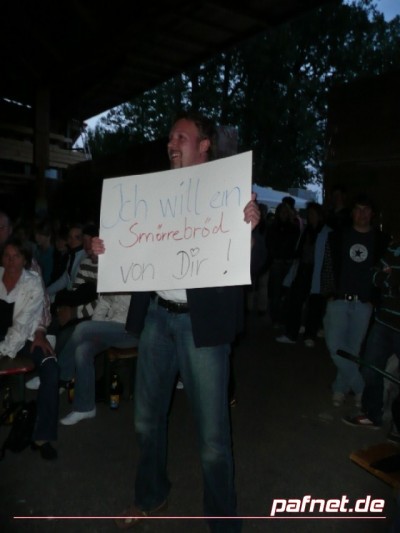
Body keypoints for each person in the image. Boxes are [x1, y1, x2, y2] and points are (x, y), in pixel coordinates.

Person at [93, 110, 261, 532]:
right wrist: (104, 248)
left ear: (204, 145)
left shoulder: (227, 192)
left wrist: (250, 229)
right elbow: (130, 245)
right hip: (156, 316)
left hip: (200, 326)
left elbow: (254, 262)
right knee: (146, 420)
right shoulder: (150, 196)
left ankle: (223, 522)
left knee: (213, 437)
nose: (171, 144)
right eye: (169, 138)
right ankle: (150, 495)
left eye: (180, 137)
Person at [321, 193, 389, 408]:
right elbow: (328, 265)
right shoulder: (338, 236)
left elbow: (385, 273)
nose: (362, 214)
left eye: (366, 210)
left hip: (364, 303)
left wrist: (375, 299)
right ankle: (361, 389)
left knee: (353, 350)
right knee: (335, 346)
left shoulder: (382, 240)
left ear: (372, 214)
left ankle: (339, 389)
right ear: (352, 213)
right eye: (358, 209)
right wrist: (329, 294)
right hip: (339, 300)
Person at [0, 237, 59, 459]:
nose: (11, 261)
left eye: (16, 256)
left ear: (25, 259)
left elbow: (21, 325)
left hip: (24, 335)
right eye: (7, 256)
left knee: (50, 366)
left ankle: (42, 435)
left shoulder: (32, 282)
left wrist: (2, 351)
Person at [343, 238, 400, 430]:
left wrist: (391, 278)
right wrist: (390, 280)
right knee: (370, 369)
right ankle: (372, 414)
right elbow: (374, 274)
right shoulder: (395, 246)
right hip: (384, 322)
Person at [58, 292, 136, 425]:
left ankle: (59, 376)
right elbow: (103, 303)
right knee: (82, 350)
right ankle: (85, 408)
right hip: (109, 327)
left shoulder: (136, 280)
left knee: (81, 329)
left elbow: (135, 309)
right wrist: (95, 329)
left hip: (130, 329)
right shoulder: (111, 280)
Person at [276, 201, 325, 345]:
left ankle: (310, 335)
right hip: (303, 269)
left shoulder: (325, 232)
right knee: (295, 301)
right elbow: (299, 250)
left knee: (315, 304)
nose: (311, 217)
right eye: (309, 214)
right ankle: (292, 333)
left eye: (313, 214)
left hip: (317, 271)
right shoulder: (306, 231)